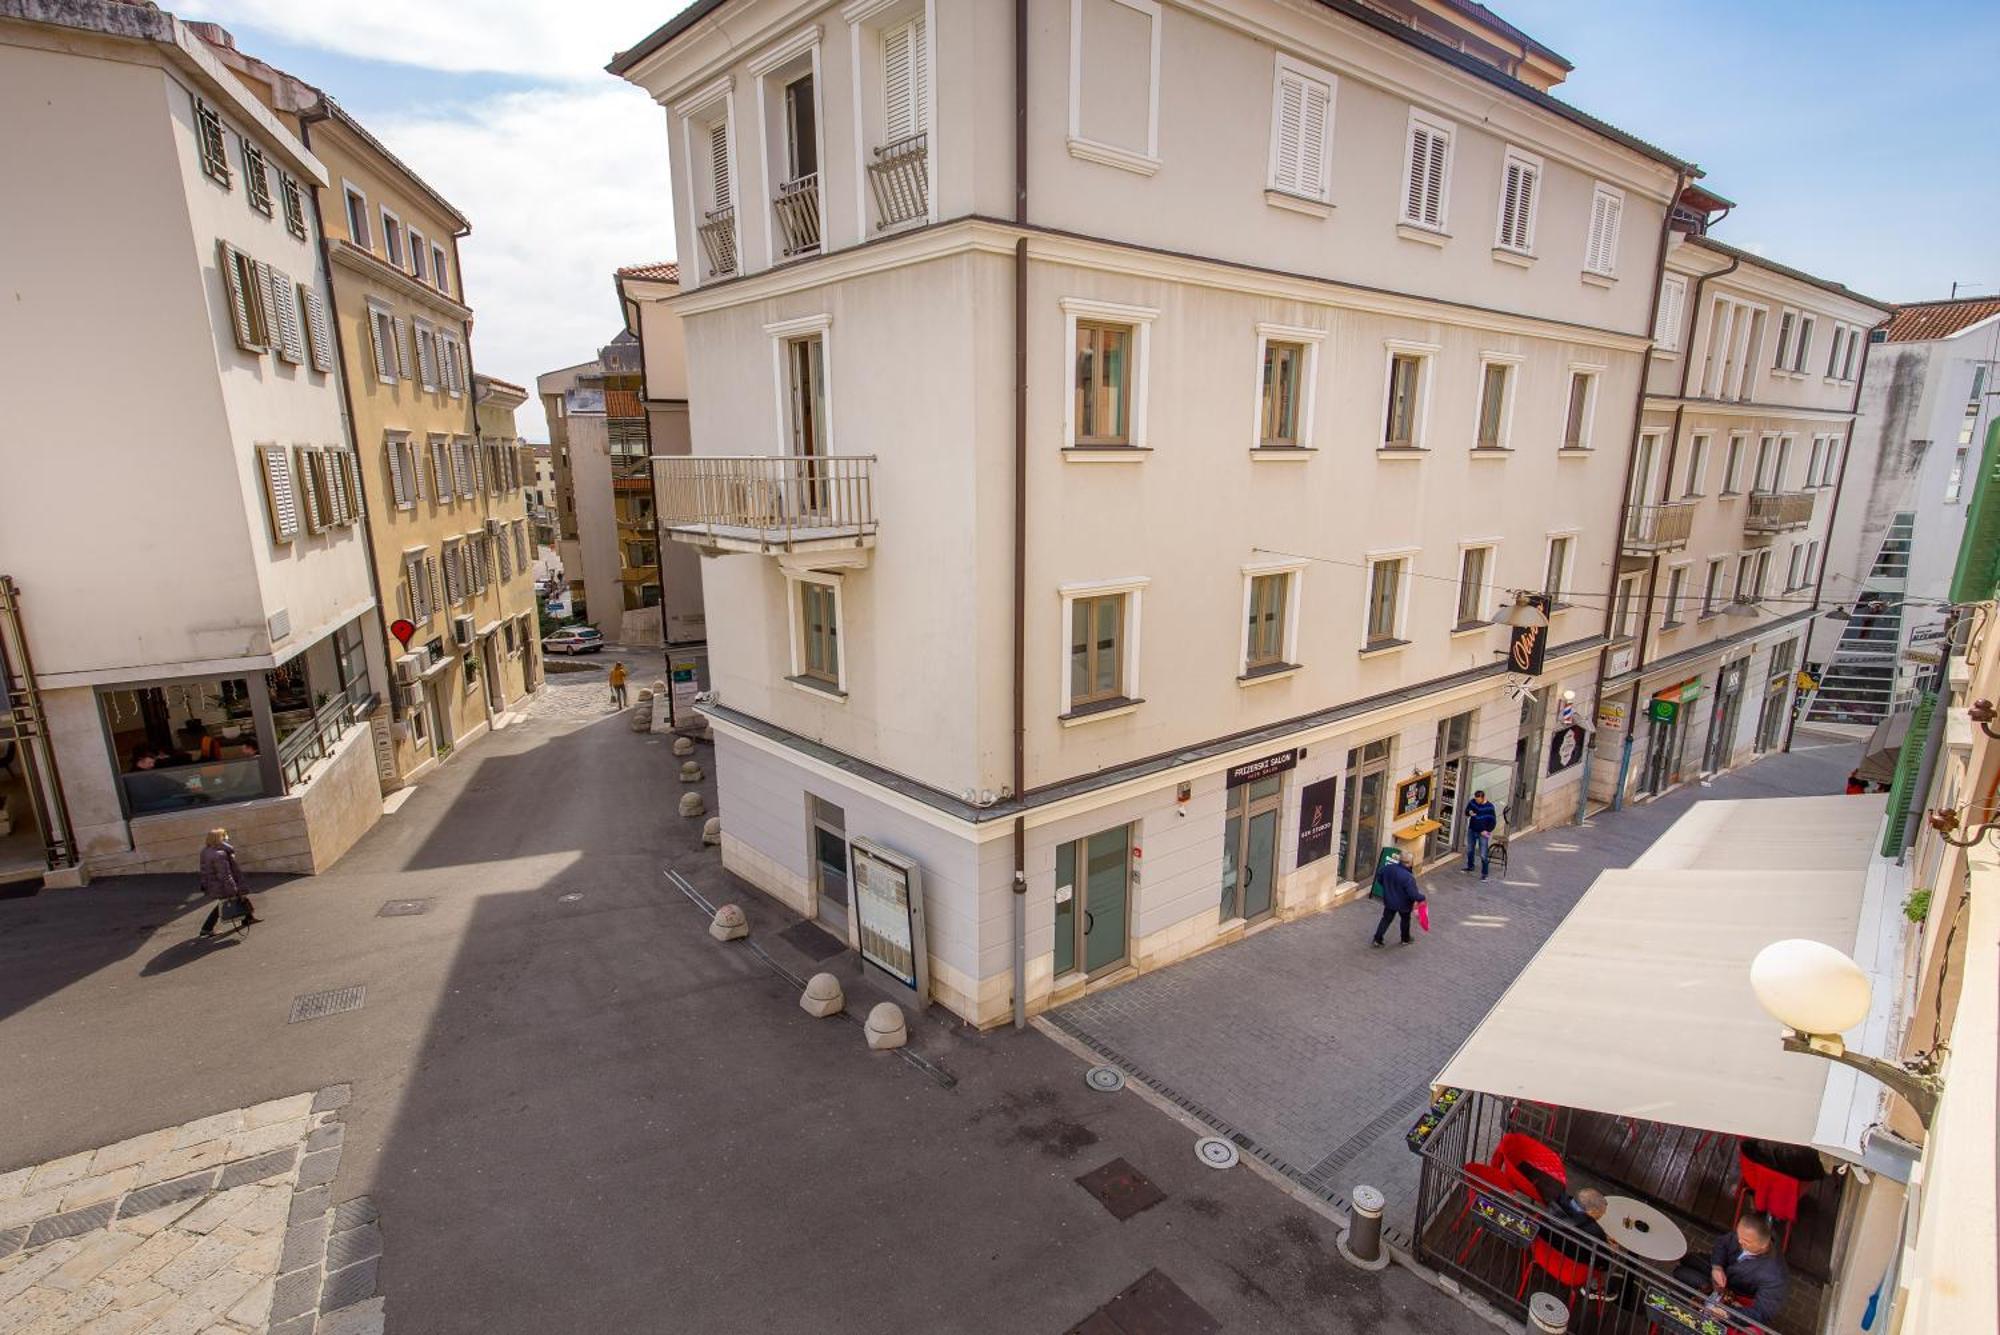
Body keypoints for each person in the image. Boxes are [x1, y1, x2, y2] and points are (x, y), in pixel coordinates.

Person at [1672, 1213, 1788, 1324]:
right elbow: (1722, 1243)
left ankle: (1703, 1288)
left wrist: (1728, 1314)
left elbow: (1762, 1313)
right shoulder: (1745, 1234)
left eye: (1745, 1242)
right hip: (1722, 1270)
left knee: (1680, 1272)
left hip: (1733, 1290)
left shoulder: (1775, 1275)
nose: (1739, 1242)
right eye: (1738, 1236)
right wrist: (1717, 1267)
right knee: (1688, 1258)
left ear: (1763, 1245)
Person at [197, 827, 259, 935]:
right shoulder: (220, 854)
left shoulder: (206, 851)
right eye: (224, 836)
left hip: (214, 884)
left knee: (239, 898)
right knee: (227, 902)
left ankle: (248, 918)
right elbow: (225, 874)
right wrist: (233, 889)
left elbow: (203, 870)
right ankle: (207, 928)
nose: (226, 838)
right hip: (223, 884)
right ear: (219, 838)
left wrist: (204, 883)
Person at [1370, 849, 1425, 947]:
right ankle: (1405, 939)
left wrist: (1387, 888)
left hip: (1389, 901)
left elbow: (1379, 878)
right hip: (1404, 904)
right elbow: (1412, 894)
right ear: (1409, 863)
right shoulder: (1408, 877)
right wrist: (1421, 897)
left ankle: (1377, 939)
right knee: (1405, 920)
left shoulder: (1388, 868)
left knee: (1386, 919)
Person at [1463, 788, 1498, 880]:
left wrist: (1487, 831)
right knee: (1470, 850)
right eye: (1476, 799)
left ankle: (1484, 874)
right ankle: (1470, 866)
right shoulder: (1473, 802)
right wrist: (1469, 812)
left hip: (1482, 833)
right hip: (1472, 830)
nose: (1477, 801)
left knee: (1483, 854)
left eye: (1478, 800)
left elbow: (1493, 821)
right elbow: (1466, 811)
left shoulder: (1490, 807)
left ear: (1483, 798)